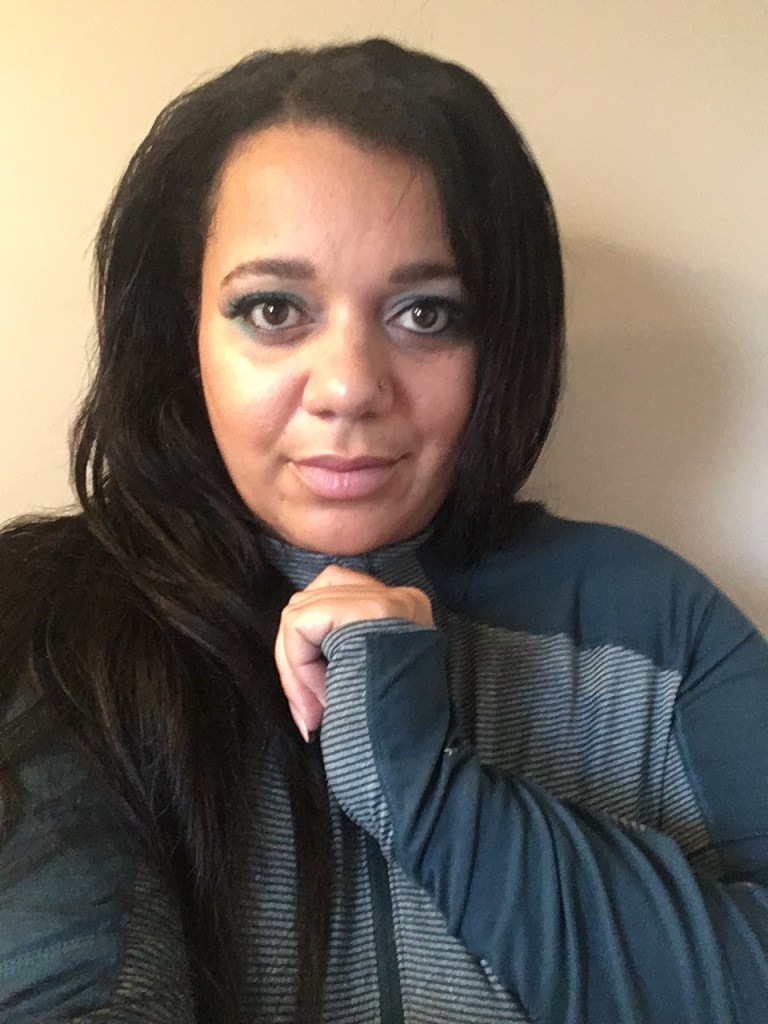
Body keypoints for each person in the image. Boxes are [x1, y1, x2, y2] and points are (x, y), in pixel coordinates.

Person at [0, 38, 766, 1024]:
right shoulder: (50, 625)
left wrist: (433, 794)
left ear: (499, 343)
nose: (351, 386)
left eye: (426, 315)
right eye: (273, 308)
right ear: (183, 336)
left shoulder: (653, 620)